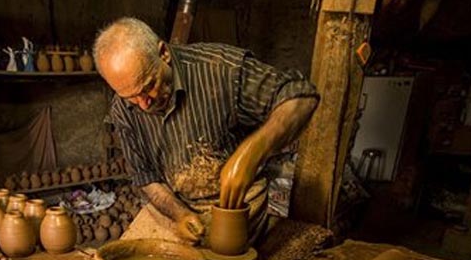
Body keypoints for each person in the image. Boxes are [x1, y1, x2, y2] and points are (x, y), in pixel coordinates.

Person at [93, 17, 319, 244]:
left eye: (149, 86)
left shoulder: (221, 69)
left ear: (163, 53)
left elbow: (301, 96)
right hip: (177, 207)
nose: (143, 104)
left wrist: (253, 151)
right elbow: (146, 177)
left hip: (240, 205)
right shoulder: (122, 110)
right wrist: (180, 215)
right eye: (131, 97)